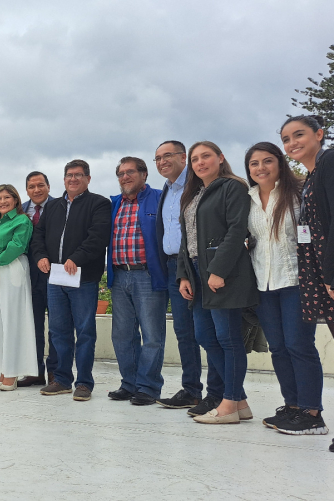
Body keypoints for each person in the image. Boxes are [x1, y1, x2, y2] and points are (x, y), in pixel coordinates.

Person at [245, 141, 327, 435]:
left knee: (299, 346)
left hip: (296, 282)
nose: (261, 168)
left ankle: (312, 413)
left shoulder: (299, 193)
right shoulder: (249, 198)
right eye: (254, 163)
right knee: (278, 348)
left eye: (267, 161)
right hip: (263, 284)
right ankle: (292, 407)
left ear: (279, 163)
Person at [280, 116, 334, 452]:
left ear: (319, 134)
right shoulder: (310, 175)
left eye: (299, 135)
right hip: (327, 275)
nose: (292, 143)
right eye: (286, 139)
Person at [177, 141, 257, 424]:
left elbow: (237, 231)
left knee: (228, 339)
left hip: (223, 273)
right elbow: (186, 241)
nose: (200, 162)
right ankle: (240, 401)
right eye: (195, 158)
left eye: (206, 156)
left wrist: (219, 269)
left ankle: (229, 404)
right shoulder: (193, 194)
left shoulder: (233, 187)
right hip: (197, 273)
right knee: (206, 337)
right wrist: (183, 274)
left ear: (220, 158)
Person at [31, 159, 111, 401]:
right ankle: (62, 379)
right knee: (58, 331)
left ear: (87, 178)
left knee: (85, 331)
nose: (73, 179)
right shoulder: (53, 206)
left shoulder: (99, 204)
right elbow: (38, 235)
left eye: (78, 175)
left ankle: (84, 383)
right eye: (69, 175)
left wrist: (76, 258)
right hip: (55, 278)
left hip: (83, 278)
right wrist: (40, 256)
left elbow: (98, 237)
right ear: (63, 179)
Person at [153, 140, 212, 412]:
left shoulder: (198, 184)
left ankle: (219, 392)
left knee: (208, 332)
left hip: (198, 265)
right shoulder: (166, 189)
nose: (162, 162)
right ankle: (191, 390)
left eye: (167, 156)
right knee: (184, 331)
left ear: (182, 157)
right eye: (157, 158)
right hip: (173, 268)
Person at [104, 157, 167, 406]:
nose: (125, 177)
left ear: (144, 174)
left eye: (130, 172)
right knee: (122, 335)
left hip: (147, 275)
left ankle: (149, 387)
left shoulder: (159, 199)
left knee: (152, 335)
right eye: (120, 173)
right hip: (119, 275)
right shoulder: (113, 203)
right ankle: (129, 384)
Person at [0, 184, 36, 391]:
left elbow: (17, 246)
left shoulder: (22, 220)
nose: (2, 202)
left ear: (15, 200)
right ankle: (3, 369)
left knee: (12, 320)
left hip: (11, 268)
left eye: (6, 198)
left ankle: (12, 373)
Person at [19, 171, 56, 388]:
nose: (36, 190)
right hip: (28, 276)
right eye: (31, 187)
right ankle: (34, 371)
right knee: (31, 326)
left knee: (56, 327)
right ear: (26, 190)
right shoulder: (20, 210)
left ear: (48, 187)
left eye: (40, 185)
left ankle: (55, 372)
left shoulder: (61, 207)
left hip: (53, 273)